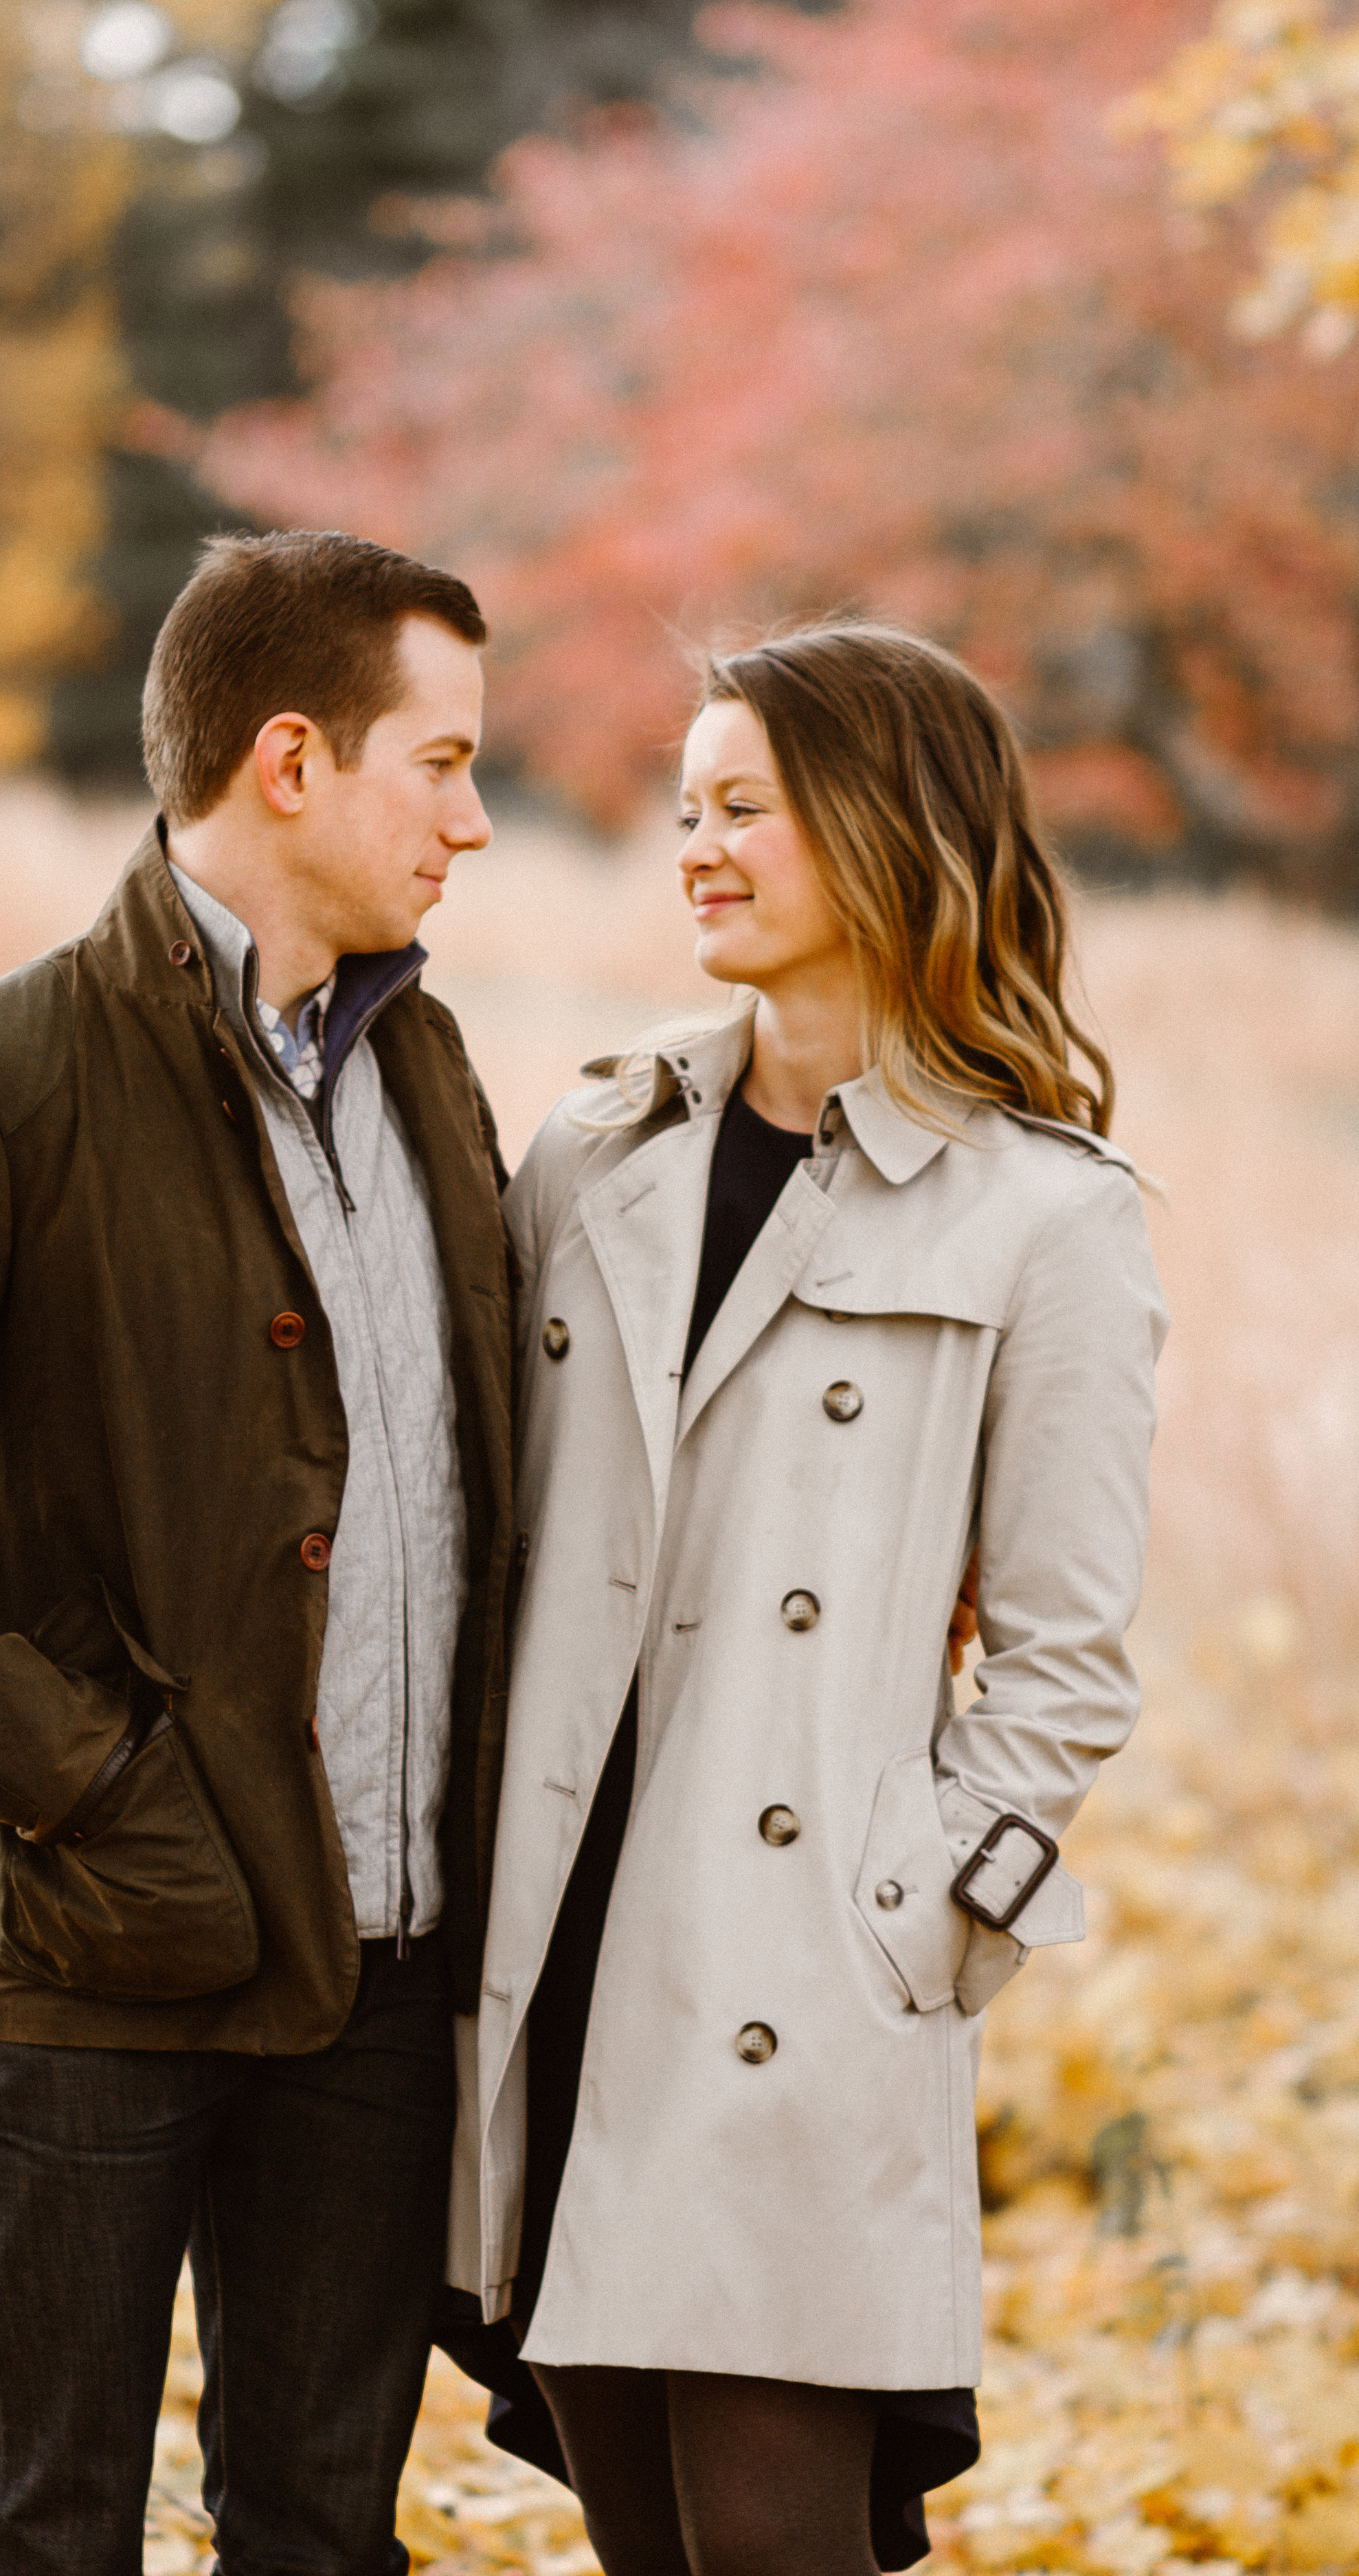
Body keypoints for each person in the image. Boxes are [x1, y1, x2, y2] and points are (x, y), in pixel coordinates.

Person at [0, 530, 515, 2576]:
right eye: (443, 764)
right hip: (87, 1958)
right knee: (47, 2529)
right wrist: (95, 1791)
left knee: (323, 2533)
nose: (476, 822)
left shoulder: (423, 1065)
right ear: (292, 760)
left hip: (387, 1970)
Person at [458, 620, 1167, 2575]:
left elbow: (1060, 1658)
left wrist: (921, 1923)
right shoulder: (590, 1153)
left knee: (774, 2549)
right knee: (640, 2552)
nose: (695, 846)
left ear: (883, 825)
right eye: (684, 810)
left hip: (798, 1972)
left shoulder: (1048, 1215)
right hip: (561, 1940)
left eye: (743, 806)